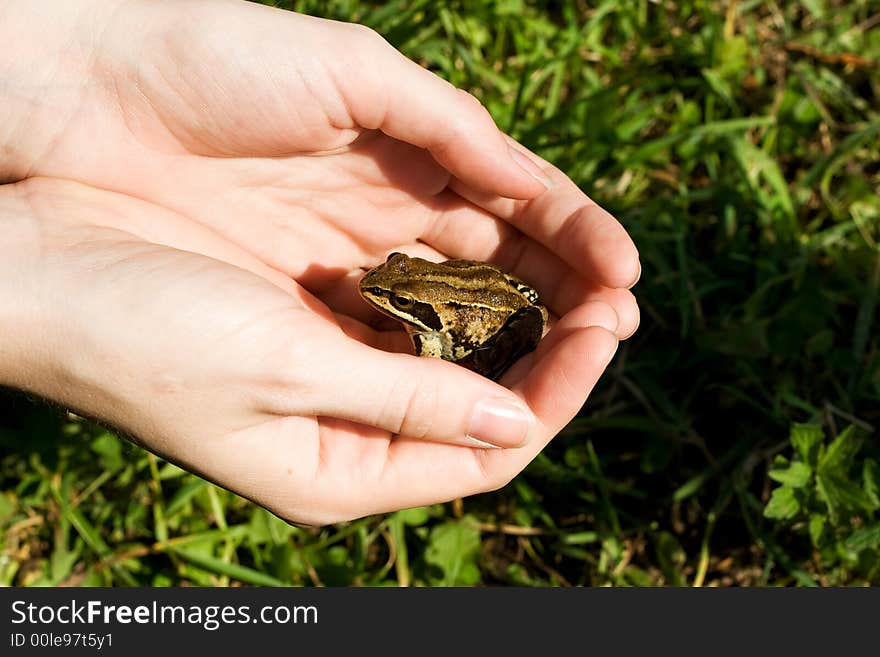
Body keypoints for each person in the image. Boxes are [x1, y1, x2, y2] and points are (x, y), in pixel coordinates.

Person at [0, 0, 640, 526]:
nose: (377, 291)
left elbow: (442, 333)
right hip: (478, 287)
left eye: (393, 296)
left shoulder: (428, 312)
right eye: (389, 280)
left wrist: (87, 58)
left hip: (498, 316)